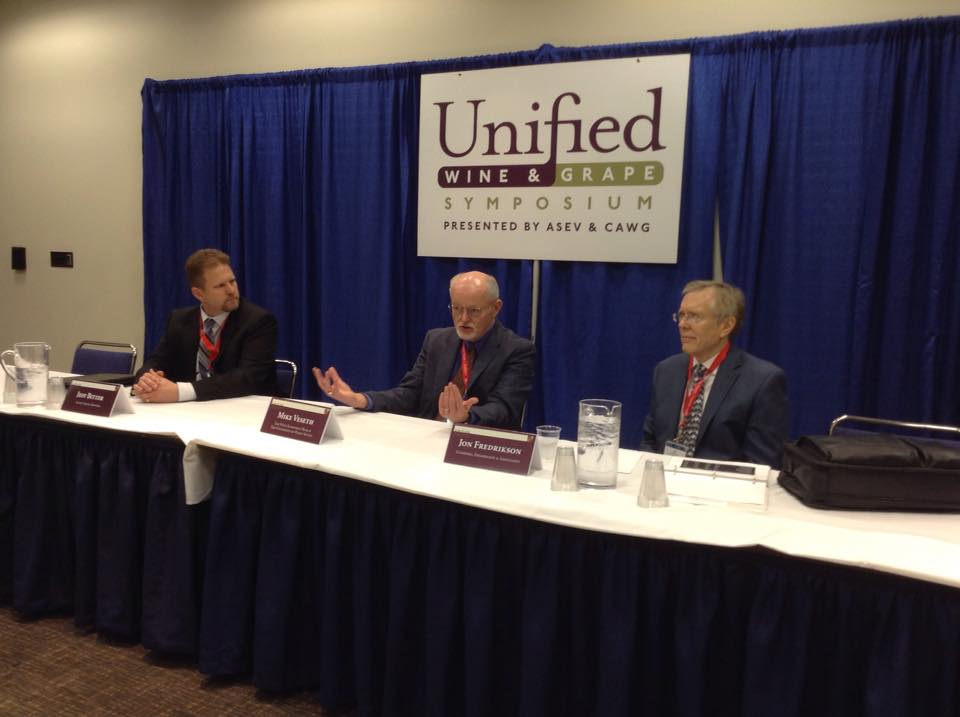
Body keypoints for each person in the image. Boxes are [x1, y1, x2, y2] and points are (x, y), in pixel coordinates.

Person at [313, 271, 535, 429]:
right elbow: (409, 394)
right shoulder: (437, 340)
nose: (463, 318)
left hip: (479, 448)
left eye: (474, 310)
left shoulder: (516, 350)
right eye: (456, 308)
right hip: (430, 439)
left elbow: (505, 410)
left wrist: (466, 415)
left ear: (496, 308)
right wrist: (359, 399)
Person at [640, 280, 788, 467]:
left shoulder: (762, 381)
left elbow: (760, 464)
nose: (683, 324)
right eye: (681, 315)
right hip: (664, 477)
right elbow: (650, 441)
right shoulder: (667, 370)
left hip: (721, 483)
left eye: (694, 316)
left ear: (726, 326)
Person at [133, 248, 278, 402]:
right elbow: (157, 360)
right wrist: (146, 380)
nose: (231, 290)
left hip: (241, 407)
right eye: (220, 286)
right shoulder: (179, 320)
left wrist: (181, 392)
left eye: (232, 281)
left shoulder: (258, 321)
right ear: (199, 294)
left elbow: (247, 378)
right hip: (189, 409)